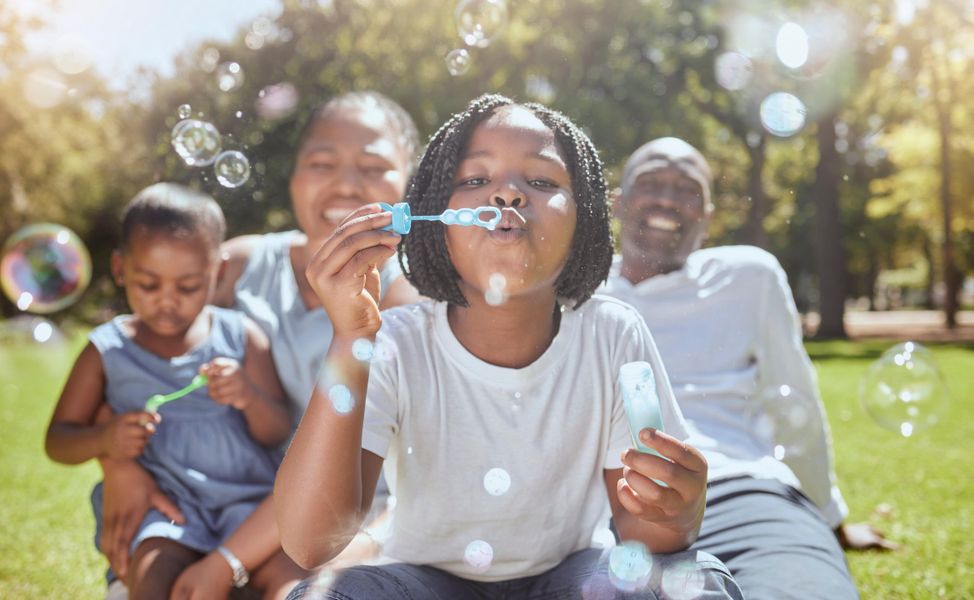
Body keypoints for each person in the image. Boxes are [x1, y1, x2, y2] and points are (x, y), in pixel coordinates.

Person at [275, 94, 744, 599]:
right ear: (435, 217)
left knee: (686, 584)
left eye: (541, 181)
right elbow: (310, 543)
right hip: (426, 583)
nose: (508, 195)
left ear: (584, 218)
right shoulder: (393, 343)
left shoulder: (613, 335)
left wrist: (678, 513)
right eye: (476, 180)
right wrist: (350, 337)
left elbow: (644, 535)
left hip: (573, 580)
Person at [93, 92, 422, 589]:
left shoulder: (407, 306)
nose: (347, 184)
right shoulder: (239, 267)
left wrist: (227, 563)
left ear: (407, 186)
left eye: (374, 167)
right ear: (293, 176)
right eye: (322, 162)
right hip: (222, 506)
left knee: (302, 589)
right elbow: (130, 359)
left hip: (340, 525)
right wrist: (119, 463)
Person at [603, 137, 894, 600]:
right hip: (604, 508)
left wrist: (829, 517)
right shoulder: (574, 290)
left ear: (708, 215)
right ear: (617, 203)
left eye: (686, 188)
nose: (666, 198)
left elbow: (796, 401)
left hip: (739, 494)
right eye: (651, 182)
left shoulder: (749, 277)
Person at [46, 183, 305, 599]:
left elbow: (277, 432)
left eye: (187, 287)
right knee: (151, 576)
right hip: (166, 511)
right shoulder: (108, 350)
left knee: (290, 581)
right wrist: (105, 439)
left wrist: (247, 397)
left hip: (248, 507)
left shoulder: (241, 337)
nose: (167, 302)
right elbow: (58, 440)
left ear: (217, 273)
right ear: (120, 269)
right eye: (148, 284)